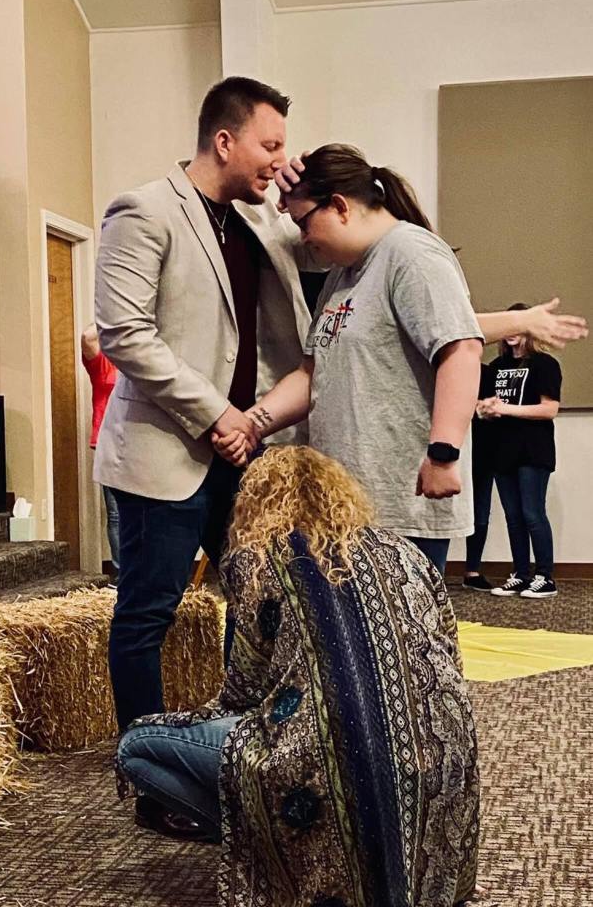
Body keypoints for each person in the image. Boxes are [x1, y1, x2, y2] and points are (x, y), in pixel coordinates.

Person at [117, 446, 480, 907]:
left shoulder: (256, 561)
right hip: (440, 765)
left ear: (253, 503)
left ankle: (278, 851)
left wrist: (185, 720)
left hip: (323, 765)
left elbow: (242, 695)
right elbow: (449, 659)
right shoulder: (406, 553)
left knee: (137, 748)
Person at [213, 145, 587, 575]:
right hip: (342, 502)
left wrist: (443, 455)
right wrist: (252, 423)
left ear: (340, 206)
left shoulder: (413, 254)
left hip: (399, 503)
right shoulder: (344, 273)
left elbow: (461, 350)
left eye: (303, 222)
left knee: (403, 621)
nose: (303, 238)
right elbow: (313, 372)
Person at [93, 77, 324, 736]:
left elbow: (322, 270)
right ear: (224, 142)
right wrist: (217, 414)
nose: (279, 159)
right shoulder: (143, 210)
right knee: (148, 616)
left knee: (256, 608)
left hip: (248, 455)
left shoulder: (262, 221)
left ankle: (234, 747)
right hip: (164, 455)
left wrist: (298, 195)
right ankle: (144, 764)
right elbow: (124, 334)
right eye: (269, 145)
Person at [480, 305, 562, 598]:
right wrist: (485, 409)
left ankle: (545, 577)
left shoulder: (545, 364)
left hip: (533, 450)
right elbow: (488, 406)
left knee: (532, 513)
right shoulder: (497, 366)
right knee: (513, 516)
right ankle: (520, 574)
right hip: (502, 451)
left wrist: (506, 408)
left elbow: (549, 409)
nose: (511, 332)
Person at [81, 324, 120, 586]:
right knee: (116, 514)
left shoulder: (137, 365)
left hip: (139, 443)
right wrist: (115, 311)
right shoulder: (102, 364)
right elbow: (88, 336)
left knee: (144, 512)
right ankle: (121, 574)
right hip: (108, 443)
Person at [462, 363, 495, 590]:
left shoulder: (488, 372)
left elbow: (493, 410)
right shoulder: (436, 367)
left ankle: (472, 570)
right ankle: (431, 570)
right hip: (446, 452)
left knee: (479, 512)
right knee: (435, 511)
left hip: (482, 451)